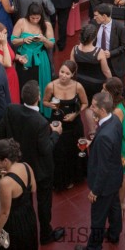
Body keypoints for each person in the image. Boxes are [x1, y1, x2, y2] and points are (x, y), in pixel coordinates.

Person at [0, 81, 65, 245]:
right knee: (44, 202)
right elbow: (46, 149)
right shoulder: (40, 122)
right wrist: (56, 133)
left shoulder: (11, 109)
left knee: (22, 203)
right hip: (40, 170)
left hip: (17, 168)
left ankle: (26, 233)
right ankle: (46, 234)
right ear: (38, 98)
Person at [74, 92, 125, 250]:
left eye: (94, 106)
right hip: (116, 177)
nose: (91, 108)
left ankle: (93, 249)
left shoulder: (103, 137)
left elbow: (102, 168)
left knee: (98, 218)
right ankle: (114, 234)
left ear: (102, 110)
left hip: (104, 184)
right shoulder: (115, 120)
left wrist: (94, 191)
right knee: (115, 207)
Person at [43, 61, 89, 191]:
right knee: (59, 152)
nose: (63, 75)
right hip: (57, 125)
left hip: (74, 126)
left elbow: (85, 103)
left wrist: (75, 114)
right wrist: (49, 105)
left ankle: (76, 176)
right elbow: (44, 101)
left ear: (73, 74)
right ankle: (61, 180)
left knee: (74, 151)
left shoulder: (77, 87)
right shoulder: (51, 86)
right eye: (62, 72)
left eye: (67, 73)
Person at [92, 4, 125, 124]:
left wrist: (111, 53)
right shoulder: (95, 24)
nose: (94, 18)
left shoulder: (119, 27)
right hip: (100, 63)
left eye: (96, 16)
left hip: (115, 63)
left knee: (121, 90)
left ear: (104, 16)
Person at [11, 3, 55, 116]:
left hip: (40, 59)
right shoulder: (21, 22)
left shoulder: (46, 24)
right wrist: (24, 39)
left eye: (37, 18)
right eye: (32, 18)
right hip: (24, 59)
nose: (35, 20)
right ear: (28, 15)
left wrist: (44, 39)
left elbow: (51, 44)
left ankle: (41, 110)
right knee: (24, 83)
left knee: (41, 84)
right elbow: (13, 40)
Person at [103, 78, 125, 217]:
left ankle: (121, 204)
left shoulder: (117, 112)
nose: (102, 91)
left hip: (119, 149)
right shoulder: (117, 103)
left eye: (104, 89)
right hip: (116, 147)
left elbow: (114, 134)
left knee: (121, 177)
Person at [71, 24, 112, 99]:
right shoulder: (99, 52)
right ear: (94, 38)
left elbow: (72, 67)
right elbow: (106, 71)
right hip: (97, 84)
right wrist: (111, 82)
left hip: (80, 81)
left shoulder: (75, 49)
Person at [0, 23, 21, 106]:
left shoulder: (2, 41)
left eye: (6, 33)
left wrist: (18, 57)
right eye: (3, 34)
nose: (6, 36)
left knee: (15, 100)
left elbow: (9, 55)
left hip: (12, 76)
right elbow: (7, 63)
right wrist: (5, 44)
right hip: (4, 79)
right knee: (9, 102)